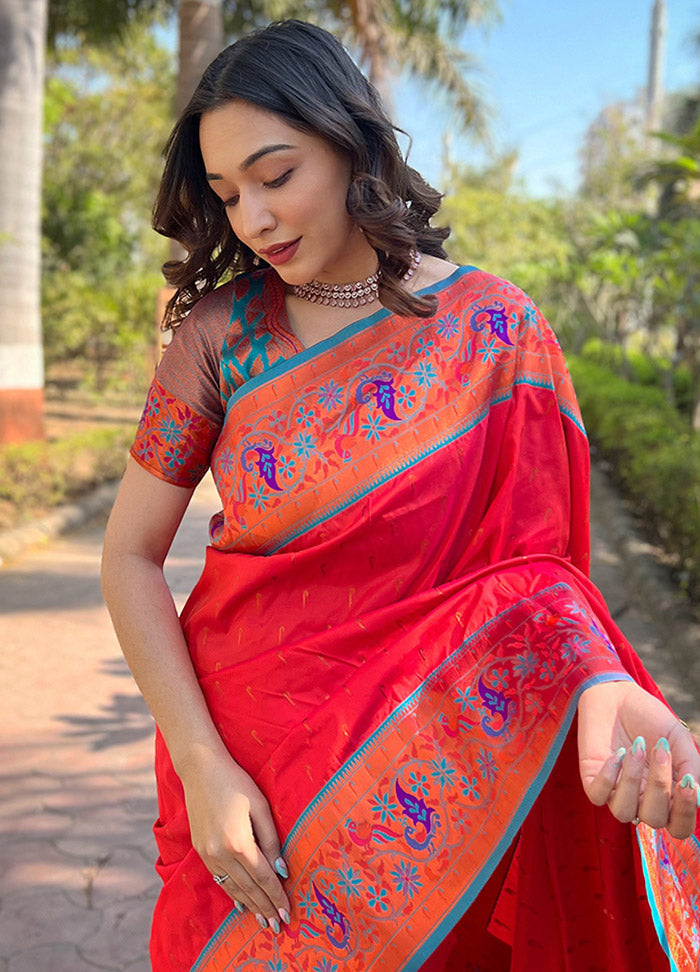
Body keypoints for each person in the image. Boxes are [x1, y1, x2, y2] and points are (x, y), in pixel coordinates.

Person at [101, 19, 700, 972]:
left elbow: (538, 581)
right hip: (244, 760)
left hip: (435, 763)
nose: (253, 217)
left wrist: (596, 678)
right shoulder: (216, 339)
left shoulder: (499, 330)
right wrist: (204, 762)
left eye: (276, 174)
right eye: (228, 194)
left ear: (351, 143)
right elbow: (128, 556)